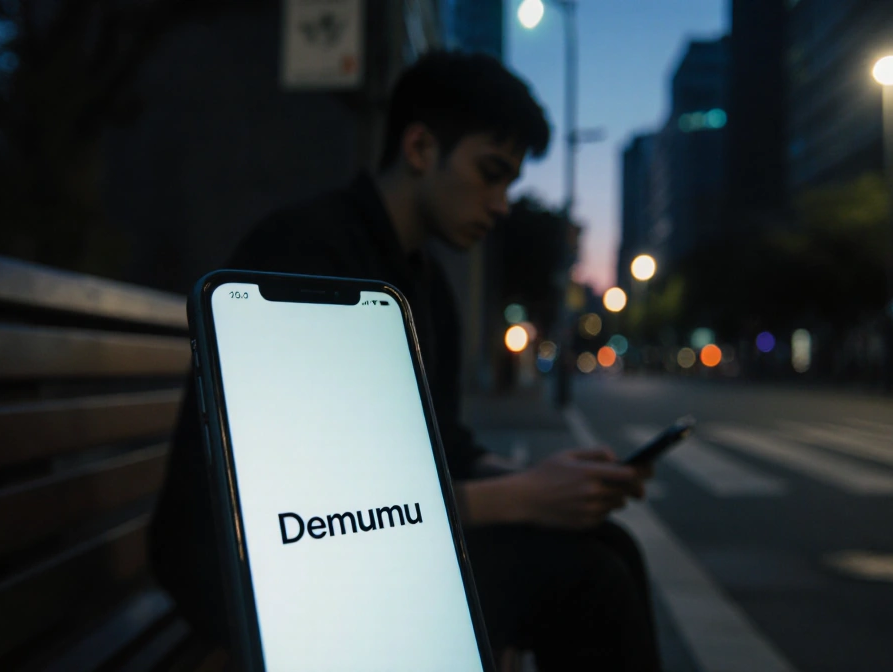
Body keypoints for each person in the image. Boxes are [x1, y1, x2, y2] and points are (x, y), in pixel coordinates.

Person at [150, 51, 662, 671]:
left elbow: (445, 445)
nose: (501, 204)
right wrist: (523, 496)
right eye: (490, 173)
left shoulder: (423, 284)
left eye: (510, 184)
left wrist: (558, 481)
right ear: (420, 147)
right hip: (246, 563)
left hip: (360, 541)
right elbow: (315, 499)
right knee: (588, 579)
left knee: (606, 543)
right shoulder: (307, 250)